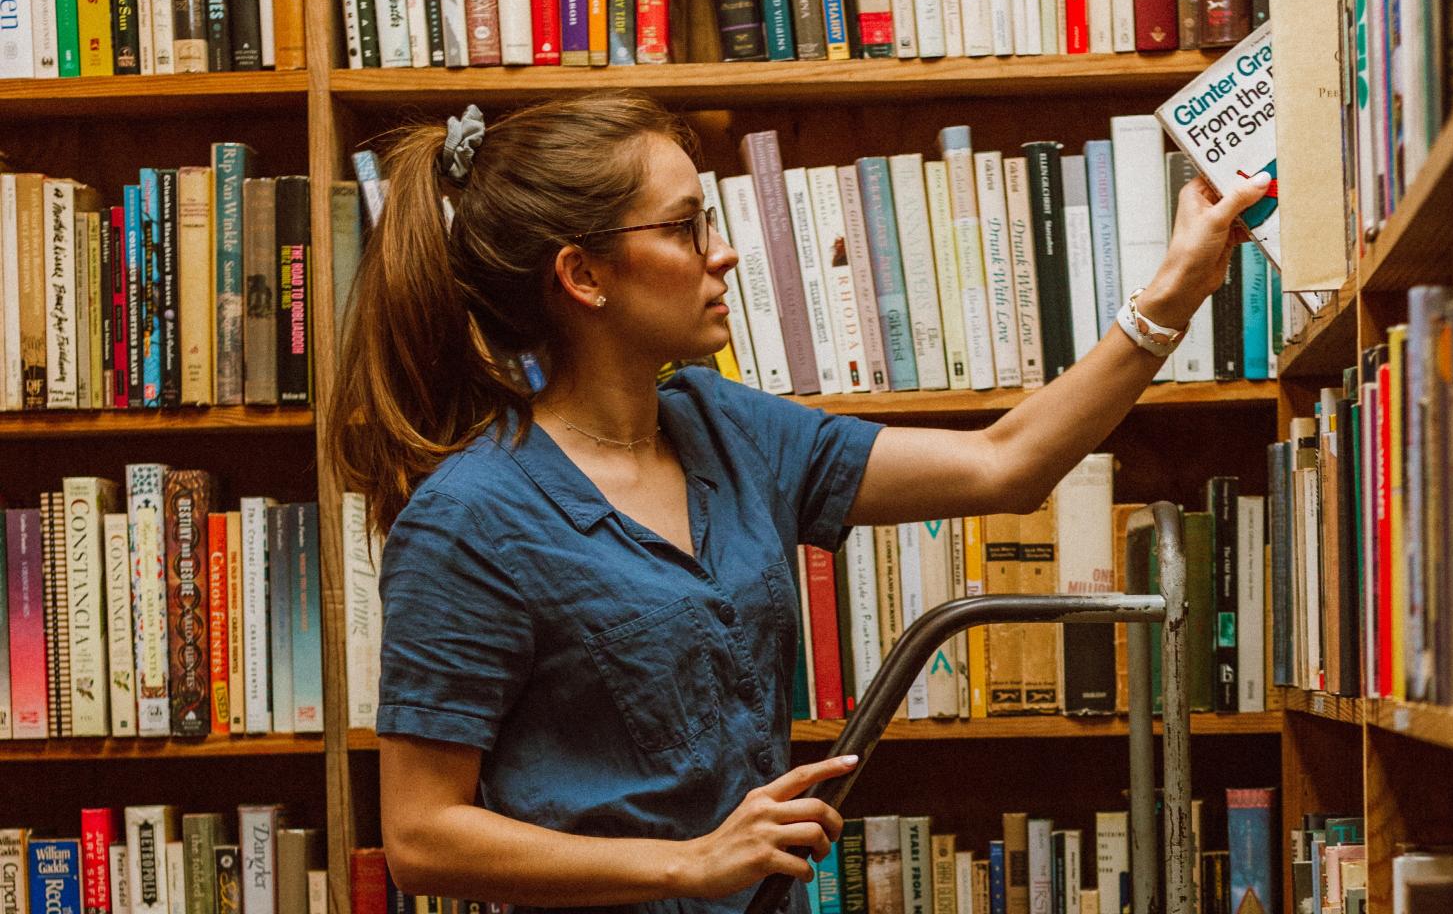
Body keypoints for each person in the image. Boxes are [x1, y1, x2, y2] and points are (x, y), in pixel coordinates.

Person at [326, 92, 1267, 914]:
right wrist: (686, 865)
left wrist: (1175, 293)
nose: (724, 254)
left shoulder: (724, 427)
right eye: (686, 226)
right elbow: (420, 838)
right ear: (583, 275)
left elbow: (1003, 466)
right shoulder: (470, 519)